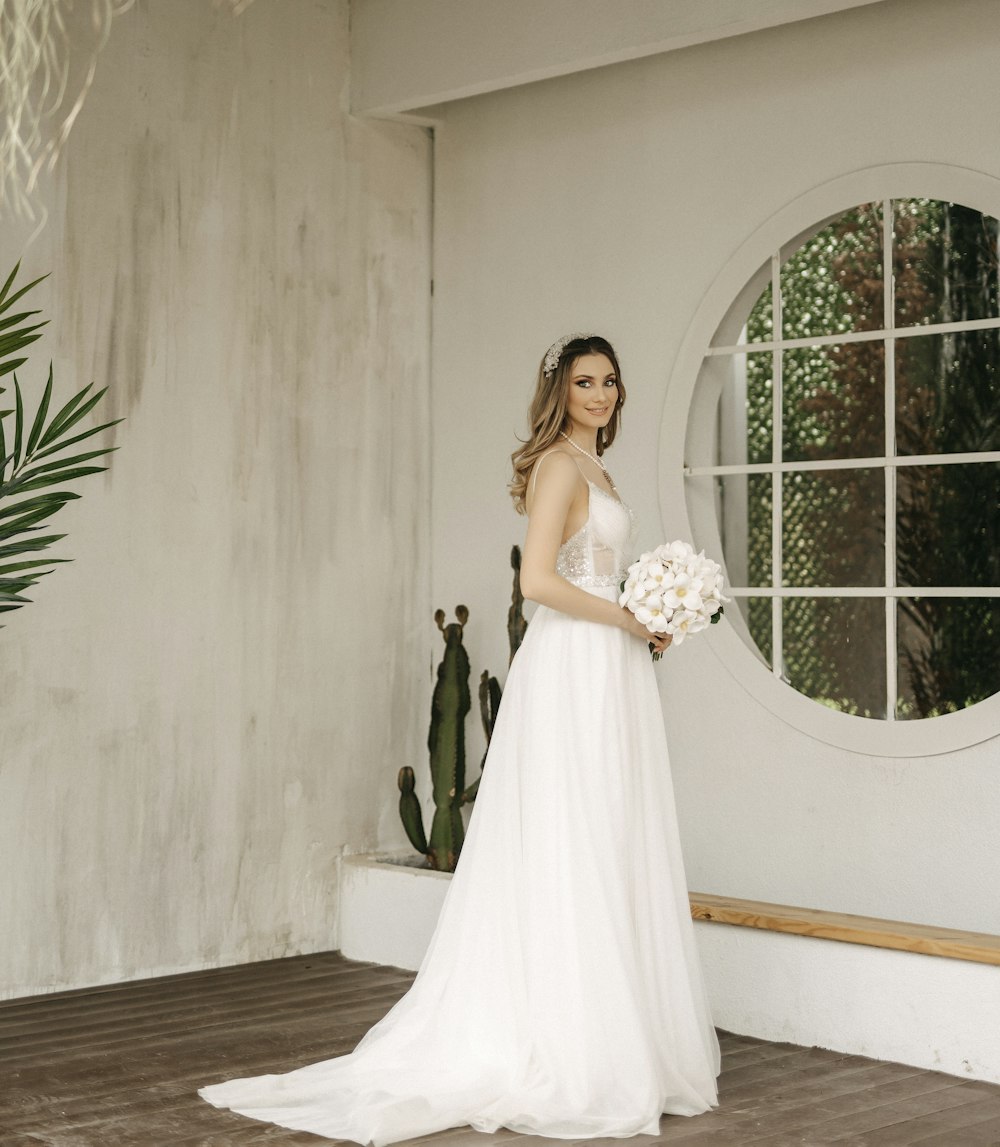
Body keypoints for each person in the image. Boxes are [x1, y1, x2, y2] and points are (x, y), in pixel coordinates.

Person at [199, 333, 721, 1144]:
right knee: (567, 834)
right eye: (585, 381)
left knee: (608, 833)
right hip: (573, 665)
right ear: (559, 391)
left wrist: (650, 618)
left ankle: (612, 1037)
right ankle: (567, 1047)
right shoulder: (556, 463)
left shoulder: (598, 469)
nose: (602, 393)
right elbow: (538, 581)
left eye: (611, 381)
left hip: (608, 666)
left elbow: (591, 571)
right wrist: (626, 614)